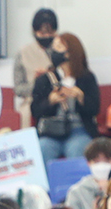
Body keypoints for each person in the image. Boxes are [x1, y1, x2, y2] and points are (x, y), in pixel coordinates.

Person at [31, 32, 102, 163]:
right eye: (53, 47)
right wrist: (50, 101)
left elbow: (95, 109)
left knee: (77, 150)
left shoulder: (87, 78)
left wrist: (81, 98)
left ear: (69, 53)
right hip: (51, 132)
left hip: (79, 131)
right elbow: (35, 110)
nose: (53, 51)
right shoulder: (45, 79)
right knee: (43, 148)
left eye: (58, 47)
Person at [15, 9, 59, 107]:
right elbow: (18, 89)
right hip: (31, 102)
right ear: (34, 31)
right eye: (43, 33)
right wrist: (38, 83)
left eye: (50, 32)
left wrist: (52, 76)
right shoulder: (23, 53)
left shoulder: (62, 51)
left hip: (59, 100)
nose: (47, 36)